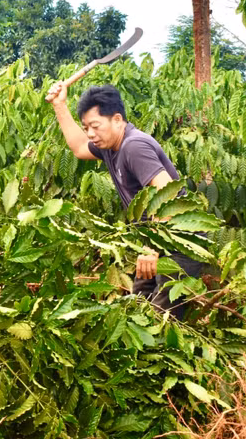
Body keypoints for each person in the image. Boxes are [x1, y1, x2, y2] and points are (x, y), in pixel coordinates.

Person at [45, 83, 203, 319]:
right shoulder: (109, 146)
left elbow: (167, 193)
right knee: (138, 309)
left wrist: (153, 248)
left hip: (180, 243)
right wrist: (59, 105)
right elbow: (79, 147)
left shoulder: (134, 146)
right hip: (156, 242)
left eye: (95, 126)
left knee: (163, 319)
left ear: (117, 119)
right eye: (86, 127)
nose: (90, 134)